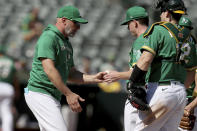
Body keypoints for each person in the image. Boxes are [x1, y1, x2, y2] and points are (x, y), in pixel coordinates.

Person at [107, 0, 197, 130]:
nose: (161, 15)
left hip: (162, 90)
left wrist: (132, 82)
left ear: (168, 13)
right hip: (180, 94)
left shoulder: (159, 30)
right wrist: (179, 89)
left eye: (162, 11)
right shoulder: (190, 38)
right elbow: (190, 71)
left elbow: (145, 60)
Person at [24, 5, 107, 131]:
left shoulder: (66, 43)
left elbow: (71, 74)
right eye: (75, 23)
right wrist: (68, 94)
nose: (78, 27)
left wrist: (93, 78)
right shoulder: (49, 37)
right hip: (40, 92)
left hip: (51, 95)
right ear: (63, 20)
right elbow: (49, 70)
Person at [103, 6, 149, 131]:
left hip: (139, 94)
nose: (128, 28)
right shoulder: (153, 38)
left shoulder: (141, 41)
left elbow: (138, 72)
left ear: (135, 23)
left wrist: (116, 75)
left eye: (128, 24)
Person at [178, 16, 197, 131]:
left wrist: (190, 107)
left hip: (185, 100)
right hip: (187, 99)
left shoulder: (171, 45)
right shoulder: (193, 46)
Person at [0, 45, 20, 131]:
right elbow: (15, 79)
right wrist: (17, 91)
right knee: (6, 112)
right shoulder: (11, 62)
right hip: (8, 87)